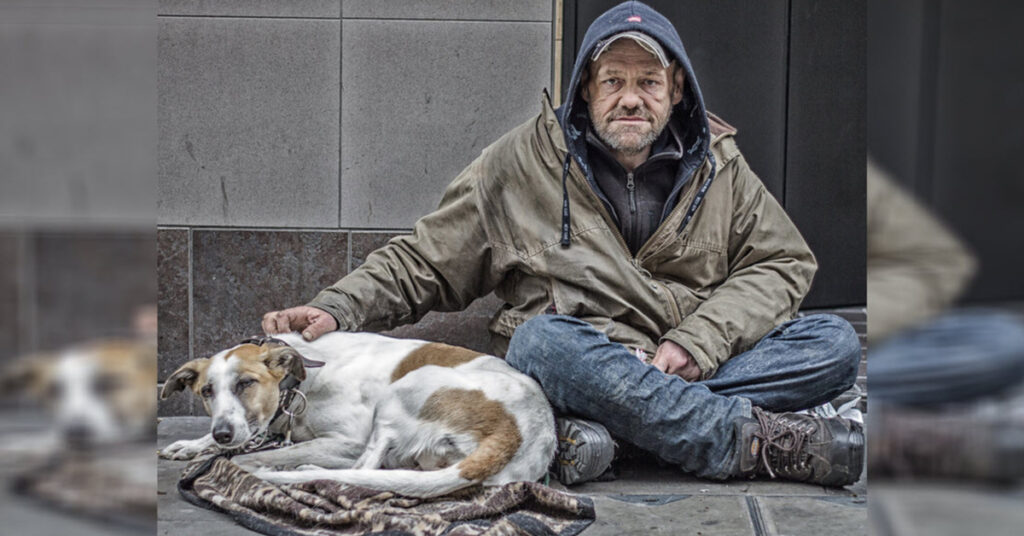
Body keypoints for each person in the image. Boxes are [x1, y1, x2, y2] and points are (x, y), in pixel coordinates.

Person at [262, 1, 864, 487]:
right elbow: (426, 260)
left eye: (649, 82)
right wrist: (336, 306)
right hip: (581, 358)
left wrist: (696, 341)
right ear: (584, 90)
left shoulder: (720, 166)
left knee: (832, 343)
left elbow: (783, 261)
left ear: (677, 89)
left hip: (683, 359)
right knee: (540, 344)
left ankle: (607, 435)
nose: (632, 98)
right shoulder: (519, 162)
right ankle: (747, 442)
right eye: (614, 81)